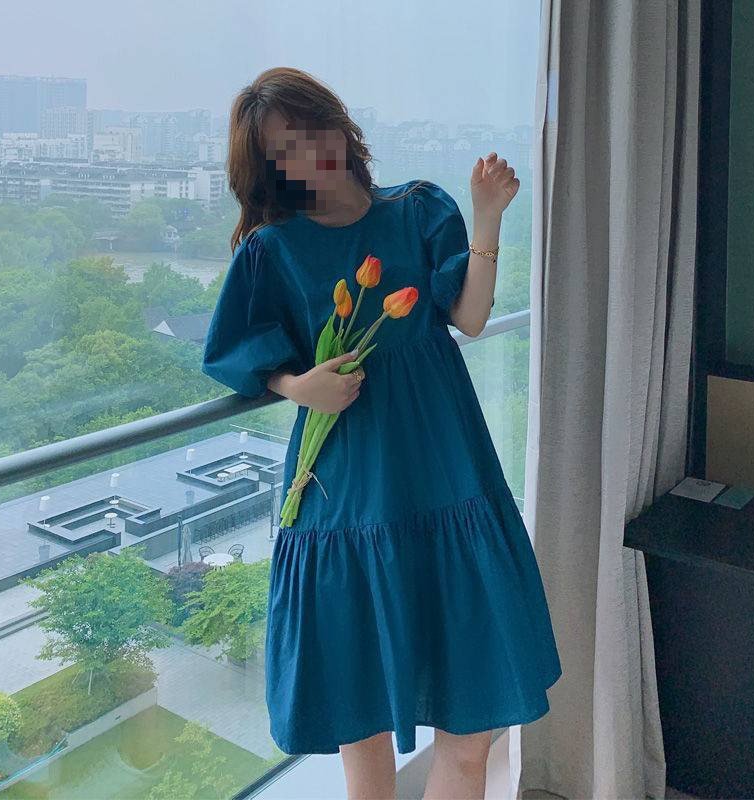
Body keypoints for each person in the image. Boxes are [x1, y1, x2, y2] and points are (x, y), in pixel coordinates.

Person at [202, 66, 562, 800]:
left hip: (446, 469)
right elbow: (236, 353)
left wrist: (487, 218)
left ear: (338, 124)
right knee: (357, 717)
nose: (308, 154)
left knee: (471, 732)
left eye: (312, 131)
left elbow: (468, 317)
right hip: (347, 488)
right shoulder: (273, 250)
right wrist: (296, 384)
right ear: (269, 168)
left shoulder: (418, 209)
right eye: (284, 149)